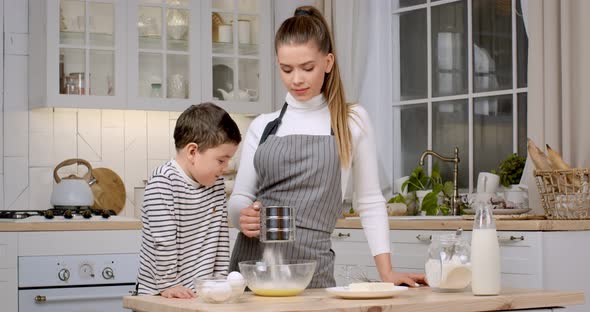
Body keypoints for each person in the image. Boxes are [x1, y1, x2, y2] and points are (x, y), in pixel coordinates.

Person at [228, 6, 426, 288]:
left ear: (328, 62)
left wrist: (387, 273)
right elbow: (240, 198)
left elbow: (369, 202)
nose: (296, 79)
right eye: (286, 69)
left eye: (307, 67)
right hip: (255, 271)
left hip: (312, 272)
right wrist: (242, 217)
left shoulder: (351, 121)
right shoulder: (263, 125)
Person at [137, 103, 241, 298]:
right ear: (193, 152)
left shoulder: (216, 183)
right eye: (221, 160)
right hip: (161, 294)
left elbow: (220, 238)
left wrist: (219, 281)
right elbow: (164, 242)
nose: (225, 168)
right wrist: (169, 284)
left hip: (200, 295)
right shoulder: (163, 182)